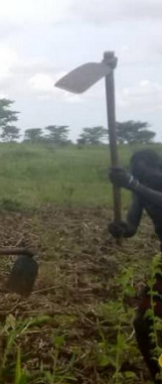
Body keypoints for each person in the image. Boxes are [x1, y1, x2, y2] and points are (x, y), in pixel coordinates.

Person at [108, 149, 162, 383]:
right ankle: (159, 373)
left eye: (144, 174)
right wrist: (120, 228)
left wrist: (133, 184)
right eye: (137, 175)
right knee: (144, 324)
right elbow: (131, 226)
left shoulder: (141, 186)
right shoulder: (140, 191)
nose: (142, 179)